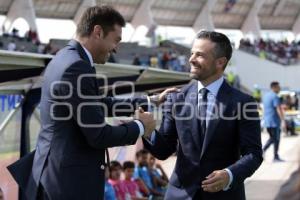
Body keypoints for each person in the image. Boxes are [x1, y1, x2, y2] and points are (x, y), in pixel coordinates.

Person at [7, 5, 174, 200]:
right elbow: (99, 135)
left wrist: (149, 100)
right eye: (116, 40)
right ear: (98, 31)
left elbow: (97, 104)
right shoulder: (77, 66)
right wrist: (140, 126)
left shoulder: (66, 57)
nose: (116, 48)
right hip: (66, 185)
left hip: (57, 178)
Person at [142, 30, 263, 200]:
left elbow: (253, 154)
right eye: (192, 53)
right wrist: (148, 132)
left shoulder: (244, 102)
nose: (191, 59)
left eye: (199, 55)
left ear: (220, 62)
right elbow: (164, 150)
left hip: (224, 196)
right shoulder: (176, 99)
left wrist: (229, 175)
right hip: (180, 195)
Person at [262, 81, 286, 162]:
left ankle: (274, 155)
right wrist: (283, 121)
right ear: (274, 87)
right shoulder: (275, 96)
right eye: (278, 87)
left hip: (267, 121)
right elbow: (278, 109)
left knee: (274, 138)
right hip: (274, 122)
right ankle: (268, 153)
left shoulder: (266, 96)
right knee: (275, 138)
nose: (280, 88)